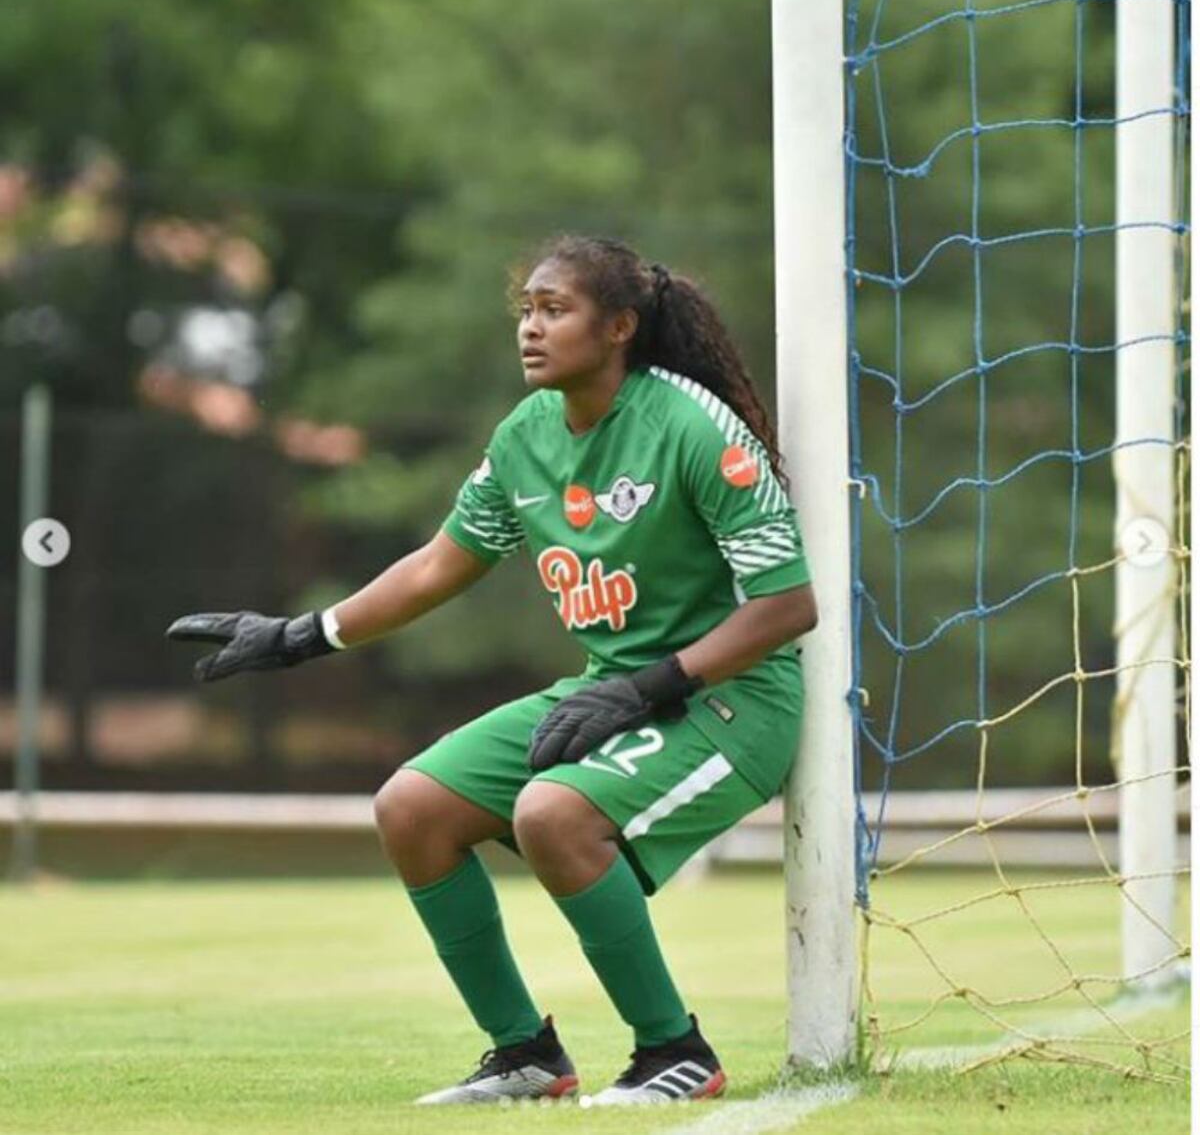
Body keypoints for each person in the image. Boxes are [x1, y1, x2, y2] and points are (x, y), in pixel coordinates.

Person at [167, 235, 817, 1106]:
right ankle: (526, 1056)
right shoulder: (525, 438)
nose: (531, 328)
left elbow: (787, 608)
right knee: (412, 806)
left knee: (551, 813)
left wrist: (645, 689)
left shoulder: (693, 426)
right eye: (527, 310)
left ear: (619, 325)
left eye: (556, 310)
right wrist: (298, 636)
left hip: (730, 703)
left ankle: (675, 1050)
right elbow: (439, 564)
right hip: (612, 691)